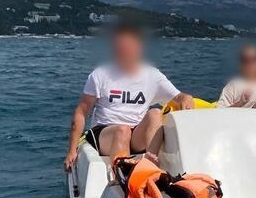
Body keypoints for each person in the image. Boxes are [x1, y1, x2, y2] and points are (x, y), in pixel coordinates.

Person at [63, 24, 194, 171]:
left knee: (155, 113)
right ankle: (121, 174)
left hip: (136, 133)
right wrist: (72, 150)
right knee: (122, 131)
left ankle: (150, 165)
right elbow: (81, 112)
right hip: (105, 132)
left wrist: (185, 98)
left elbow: (179, 97)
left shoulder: (152, 75)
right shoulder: (100, 75)